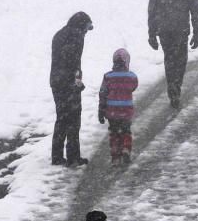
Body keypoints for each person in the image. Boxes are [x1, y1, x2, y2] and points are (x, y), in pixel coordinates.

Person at [147, 0, 198, 108]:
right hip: (181, 31)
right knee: (181, 60)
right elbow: (196, 12)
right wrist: (197, 33)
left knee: (169, 59)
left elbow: (151, 14)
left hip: (164, 31)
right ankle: (176, 85)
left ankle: (172, 85)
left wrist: (152, 34)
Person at [50, 11, 94, 167]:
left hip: (56, 81)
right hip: (68, 83)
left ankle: (56, 156)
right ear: (82, 25)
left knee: (61, 118)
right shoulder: (76, 36)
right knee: (74, 120)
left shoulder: (60, 33)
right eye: (87, 28)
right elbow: (73, 62)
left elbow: (62, 59)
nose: (86, 32)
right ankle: (73, 157)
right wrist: (76, 81)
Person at [98, 48, 139, 165]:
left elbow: (102, 93)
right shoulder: (132, 77)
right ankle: (126, 148)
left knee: (114, 132)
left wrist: (101, 110)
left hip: (112, 111)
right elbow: (133, 87)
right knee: (126, 131)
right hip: (126, 111)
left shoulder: (108, 76)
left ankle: (115, 157)